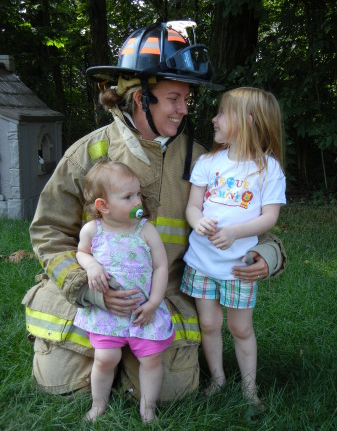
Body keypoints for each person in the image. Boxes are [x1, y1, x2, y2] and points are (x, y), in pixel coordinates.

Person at [22, 21, 286, 404]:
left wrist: (269, 255)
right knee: (62, 387)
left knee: (172, 393)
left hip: (163, 299)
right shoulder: (88, 155)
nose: (185, 109)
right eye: (174, 98)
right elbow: (47, 232)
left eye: (187, 98)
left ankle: (133, 365)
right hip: (93, 299)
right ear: (138, 96)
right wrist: (89, 289)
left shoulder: (203, 160)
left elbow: (246, 223)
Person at [180, 87, 286, 408]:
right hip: (201, 262)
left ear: (247, 121)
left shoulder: (267, 169)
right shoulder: (209, 162)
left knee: (240, 328)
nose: (214, 119)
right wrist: (197, 220)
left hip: (238, 266)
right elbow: (192, 206)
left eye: (222, 113)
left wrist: (235, 232)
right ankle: (217, 379)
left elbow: (269, 217)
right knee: (209, 324)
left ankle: (249, 391)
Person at [73, 161, 174, 422]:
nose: (138, 201)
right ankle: (98, 404)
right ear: (103, 206)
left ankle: (148, 407)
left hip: (144, 311)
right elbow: (81, 253)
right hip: (107, 314)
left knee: (152, 359)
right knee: (105, 358)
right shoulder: (93, 231)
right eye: (128, 197)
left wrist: (154, 302)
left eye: (137, 194)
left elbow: (161, 265)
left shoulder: (146, 230)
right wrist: (91, 264)